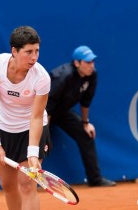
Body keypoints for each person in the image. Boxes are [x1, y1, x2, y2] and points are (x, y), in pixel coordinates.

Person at [0, 25, 51, 210]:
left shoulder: (42, 78)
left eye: (37, 51)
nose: (34, 57)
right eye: (28, 52)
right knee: (7, 185)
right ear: (14, 51)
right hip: (5, 128)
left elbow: (36, 117)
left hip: (32, 130)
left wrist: (32, 152)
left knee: (27, 184)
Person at [46, 45, 116, 187]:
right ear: (77, 63)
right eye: (87, 62)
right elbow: (47, 105)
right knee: (37, 144)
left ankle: (95, 179)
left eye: (92, 62)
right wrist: (43, 132)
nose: (91, 65)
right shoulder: (63, 76)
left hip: (62, 112)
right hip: (42, 113)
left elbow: (86, 101)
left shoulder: (92, 75)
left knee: (86, 135)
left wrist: (85, 123)